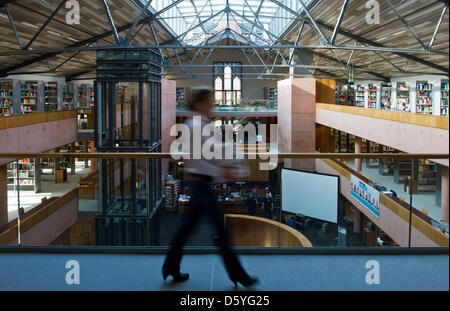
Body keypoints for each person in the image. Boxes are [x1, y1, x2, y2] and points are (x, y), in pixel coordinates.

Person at [162, 89, 258, 288]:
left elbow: (210, 154)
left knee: (186, 229)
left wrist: (231, 162)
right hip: (201, 184)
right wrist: (224, 173)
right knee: (220, 233)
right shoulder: (195, 126)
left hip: (201, 184)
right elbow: (198, 161)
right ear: (198, 103)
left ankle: (170, 266)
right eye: (208, 102)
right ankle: (238, 275)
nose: (212, 105)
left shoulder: (200, 125)